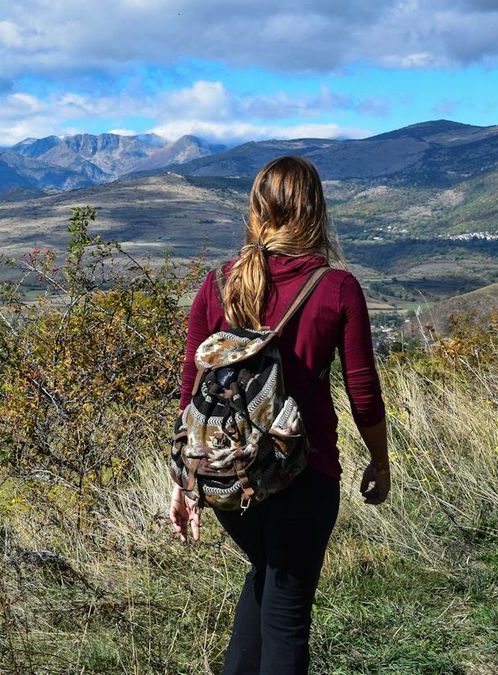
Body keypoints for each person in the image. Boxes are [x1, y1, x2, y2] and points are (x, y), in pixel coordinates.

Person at [171, 156, 390, 675]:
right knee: (286, 621)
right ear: (315, 211)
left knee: (266, 585)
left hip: (228, 476)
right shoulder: (335, 288)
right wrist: (380, 463)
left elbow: (192, 385)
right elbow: (363, 392)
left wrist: (184, 480)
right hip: (303, 474)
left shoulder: (219, 282)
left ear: (256, 210)